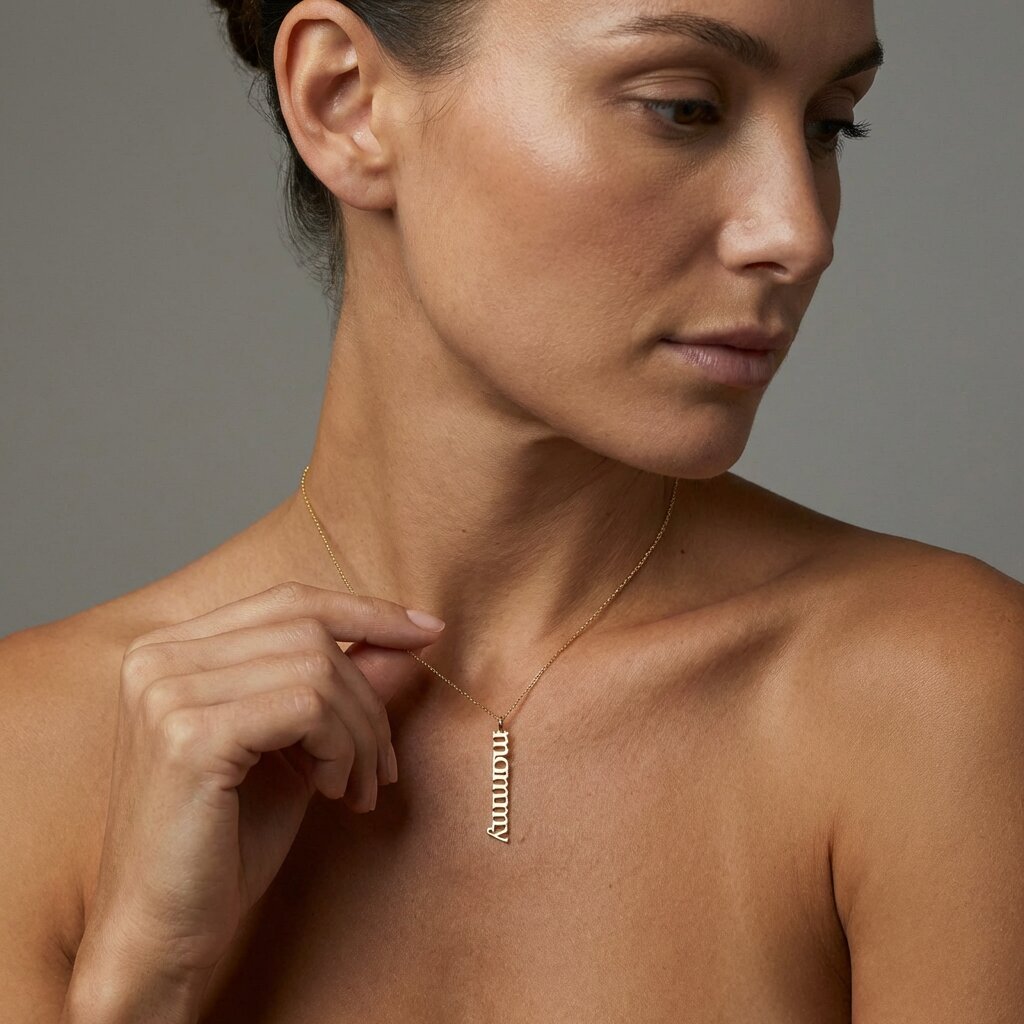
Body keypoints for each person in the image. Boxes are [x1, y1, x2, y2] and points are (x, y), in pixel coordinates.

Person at [2, 0, 1021, 1020]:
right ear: (346, 102)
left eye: (830, 125)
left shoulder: (930, 697)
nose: (798, 234)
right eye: (684, 108)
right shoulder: (31, 752)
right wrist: (144, 981)